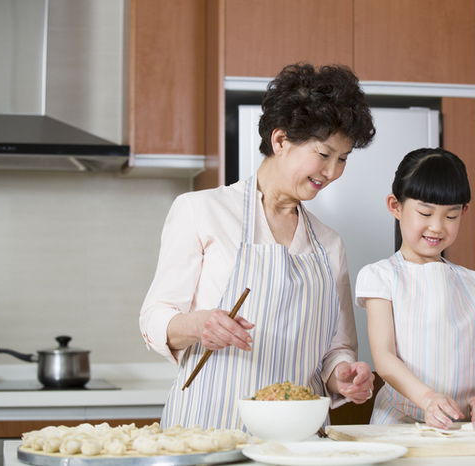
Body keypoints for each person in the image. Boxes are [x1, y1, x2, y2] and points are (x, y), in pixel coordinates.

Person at [139, 63, 377, 430]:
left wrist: (343, 373)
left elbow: (336, 347)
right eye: (324, 154)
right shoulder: (201, 211)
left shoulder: (329, 244)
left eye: (343, 158)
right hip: (208, 429)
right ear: (280, 141)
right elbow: (154, 316)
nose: (332, 172)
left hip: (297, 438)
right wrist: (198, 325)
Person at [355, 148, 475, 428]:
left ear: (463, 212)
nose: (437, 226)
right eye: (425, 212)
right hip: (399, 420)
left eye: (451, 216)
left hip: (462, 423)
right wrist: (428, 398)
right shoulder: (381, 276)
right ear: (396, 206)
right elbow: (384, 357)